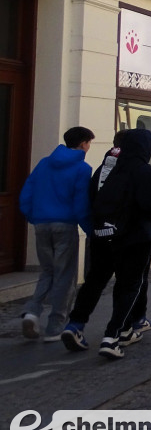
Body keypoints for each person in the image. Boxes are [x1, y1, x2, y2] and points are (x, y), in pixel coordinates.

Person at [61, 129, 151, 359]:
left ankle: (75, 324)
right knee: (129, 286)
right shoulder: (144, 170)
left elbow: (92, 196)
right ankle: (113, 335)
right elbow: (149, 205)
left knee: (94, 281)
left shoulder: (108, 167)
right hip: (134, 237)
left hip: (103, 235)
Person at [19, 126, 94, 342]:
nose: (89, 147)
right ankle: (55, 326)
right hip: (65, 225)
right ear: (83, 144)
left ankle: (32, 311)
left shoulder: (44, 163)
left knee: (47, 271)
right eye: (89, 143)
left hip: (41, 223)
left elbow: (27, 193)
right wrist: (89, 229)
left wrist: (34, 217)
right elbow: (81, 204)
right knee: (64, 275)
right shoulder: (82, 168)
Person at [96, 131, 151, 335]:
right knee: (134, 284)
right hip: (138, 235)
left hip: (114, 235)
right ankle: (118, 331)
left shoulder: (114, 168)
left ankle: (124, 326)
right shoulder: (144, 170)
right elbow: (149, 204)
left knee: (121, 284)